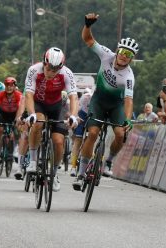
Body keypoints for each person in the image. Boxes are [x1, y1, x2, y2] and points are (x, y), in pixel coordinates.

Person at [73, 13, 136, 189]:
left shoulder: (129, 76)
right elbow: (88, 39)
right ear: (118, 51)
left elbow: (129, 100)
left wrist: (128, 119)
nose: (124, 56)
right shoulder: (106, 55)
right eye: (123, 52)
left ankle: (108, 160)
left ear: (131, 58)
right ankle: (81, 173)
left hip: (116, 105)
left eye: (129, 55)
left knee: (120, 134)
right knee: (92, 134)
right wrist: (87, 25)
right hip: (99, 101)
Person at [24, 47, 78, 192]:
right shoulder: (34, 70)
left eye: (55, 70)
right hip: (38, 103)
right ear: (44, 63)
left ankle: (53, 174)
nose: (50, 73)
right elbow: (28, 94)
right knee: (37, 123)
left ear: (60, 68)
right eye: (48, 68)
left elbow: (73, 96)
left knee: (59, 141)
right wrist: (31, 113)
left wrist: (73, 115)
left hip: (57, 106)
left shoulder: (67, 73)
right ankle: (33, 160)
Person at [0, 77, 23, 178]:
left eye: (11, 85)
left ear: (14, 86)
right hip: (4, 114)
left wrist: (17, 120)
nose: (9, 87)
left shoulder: (18, 95)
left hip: (14, 114)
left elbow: (20, 107)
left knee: (14, 133)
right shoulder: (1, 94)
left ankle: (12, 152)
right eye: (7, 85)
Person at [70, 88, 93, 177]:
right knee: (78, 140)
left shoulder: (95, 97)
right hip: (82, 114)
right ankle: (73, 167)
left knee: (89, 140)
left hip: (91, 115)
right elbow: (76, 111)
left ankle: (86, 163)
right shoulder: (83, 98)